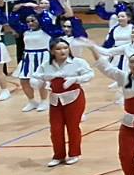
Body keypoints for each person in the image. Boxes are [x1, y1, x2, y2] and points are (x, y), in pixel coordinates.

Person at [28, 37, 93, 167]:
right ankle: (58, 155)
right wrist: (39, 81)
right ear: (52, 51)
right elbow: (35, 77)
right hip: (55, 100)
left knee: (73, 127)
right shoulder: (46, 65)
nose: (63, 51)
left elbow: (90, 74)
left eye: (65, 48)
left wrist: (75, 79)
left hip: (74, 98)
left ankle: (74, 154)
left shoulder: (78, 62)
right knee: (56, 129)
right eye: (58, 49)